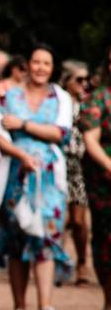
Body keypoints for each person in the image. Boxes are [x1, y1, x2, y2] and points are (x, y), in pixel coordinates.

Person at [0, 45, 72, 310]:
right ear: (27, 65)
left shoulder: (60, 97)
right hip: (16, 171)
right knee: (17, 238)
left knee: (46, 235)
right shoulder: (10, 95)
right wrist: (21, 155)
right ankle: (19, 307)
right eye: (35, 62)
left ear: (52, 68)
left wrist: (24, 125)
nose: (40, 68)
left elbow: (61, 133)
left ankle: (46, 305)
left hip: (49, 175)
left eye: (46, 63)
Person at [80, 44, 111, 310]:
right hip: (105, 182)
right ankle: (109, 301)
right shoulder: (98, 99)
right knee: (106, 241)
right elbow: (91, 140)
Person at [59, 60, 91, 285]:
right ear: (67, 81)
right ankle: (60, 263)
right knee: (60, 218)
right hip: (59, 163)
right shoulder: (57, 102)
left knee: (78, 220)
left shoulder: (90, 104)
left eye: (86, 79)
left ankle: (82, 261)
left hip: (79, 166)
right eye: (79, 79)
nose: (84, 84)